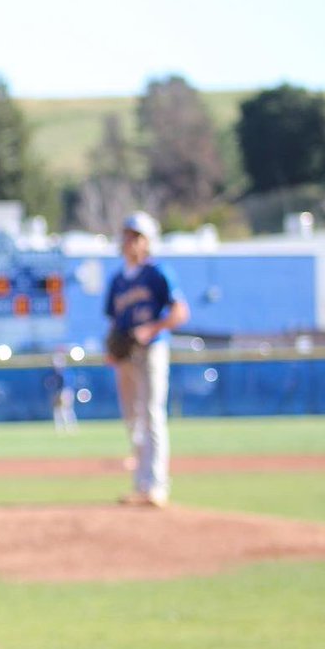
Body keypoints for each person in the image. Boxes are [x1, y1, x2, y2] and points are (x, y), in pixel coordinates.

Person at [104, 211, 190, 507]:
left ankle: (157, 485)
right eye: (127, 235)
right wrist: (110, 349)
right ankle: (141, 485)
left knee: (152, 414)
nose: (130, 241)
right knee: (132, 419)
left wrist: (151, 329)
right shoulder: (117, 280)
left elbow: (180, 312)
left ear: (148, 242)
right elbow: (114, 321)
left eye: (136, 236)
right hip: (125, 354)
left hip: (152, 349)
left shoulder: (158, 272)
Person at [44, 352, 77, 434]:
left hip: (65, 392)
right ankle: (59, 428)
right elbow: (49, 383)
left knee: (67, 410)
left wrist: (67, 393)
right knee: (57, 410)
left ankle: (71, 428)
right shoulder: (53, 372)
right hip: (57, 392)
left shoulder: (66, 371)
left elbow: (69, 384)